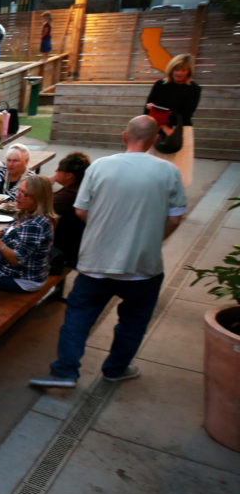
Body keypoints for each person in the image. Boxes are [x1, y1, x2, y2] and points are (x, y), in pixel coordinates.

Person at [30, 116, 187, 389]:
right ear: (155, 139)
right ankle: (116, 369)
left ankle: (64, 372)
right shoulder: (169, 172)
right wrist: (153, 239)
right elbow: (175, 218)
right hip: (143, 266)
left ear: (125, 136)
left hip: (96, 262)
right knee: (133, 323)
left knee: (78, 318)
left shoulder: (100, 167)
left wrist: (105, 230)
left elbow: (81, 211)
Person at [146, 53, 200, 188]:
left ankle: (175, 193)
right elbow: (147, 108)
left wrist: (158, 113)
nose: (179, 73)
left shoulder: (194, 89)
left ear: (189, 71)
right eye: (176, 69)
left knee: (179, 165)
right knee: (154, 163)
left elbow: (186, 113)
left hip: (180, 130)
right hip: (157, 128)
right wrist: (163, 125)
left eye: (183, 70)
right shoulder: (160, 85)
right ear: (171, 69)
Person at [51, 152, 90, 268]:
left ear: (69, 175)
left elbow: (40, 208)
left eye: (59, 169)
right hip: (75, 245)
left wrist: (43, 185)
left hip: (62, 250)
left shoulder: (67, 196)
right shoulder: (80, 189)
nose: (55, 171)